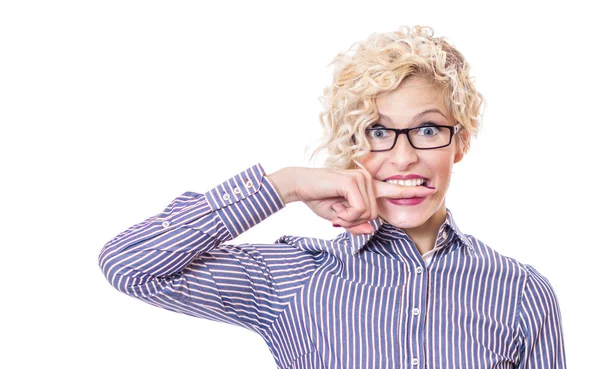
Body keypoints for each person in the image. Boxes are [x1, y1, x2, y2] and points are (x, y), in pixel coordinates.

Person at [98, 25, 566, 368]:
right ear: (352, 149)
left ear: (459, 142)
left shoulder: (521, 292)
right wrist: (286, 186)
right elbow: (129, 265)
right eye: (378, 132)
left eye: (427, 129)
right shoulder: (292, 279)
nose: (403, 158)